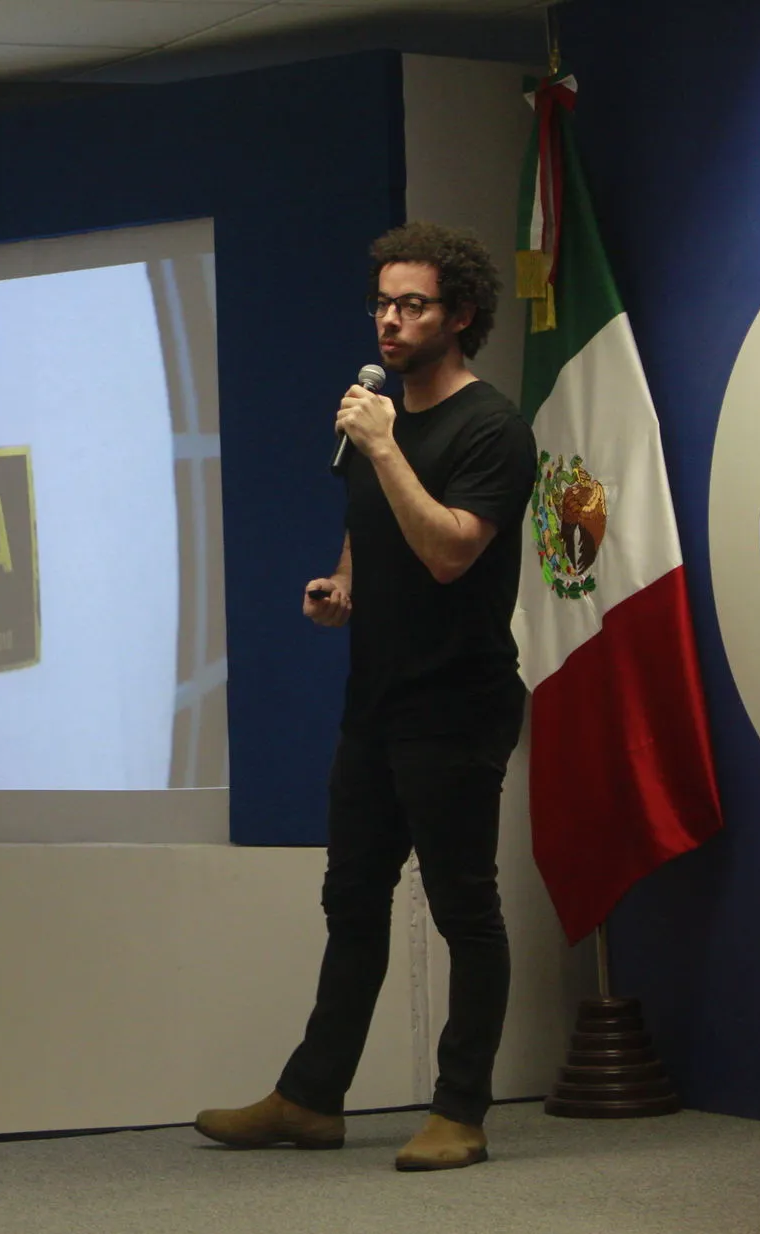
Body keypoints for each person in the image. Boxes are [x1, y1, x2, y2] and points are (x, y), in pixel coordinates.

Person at [195, 223, 537, 1172]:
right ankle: (312, 1098)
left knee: (466, 908)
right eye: (383, 303)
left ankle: (460, 1111)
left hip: (459, 704)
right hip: (376, 699)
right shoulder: (370, 414)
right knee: (352, 901)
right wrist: (343, 586)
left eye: (412, 304)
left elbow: (448, 549)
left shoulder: (492, 429)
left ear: (459, 315)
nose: (390, 319)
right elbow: (372, 529)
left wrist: (385, 446)